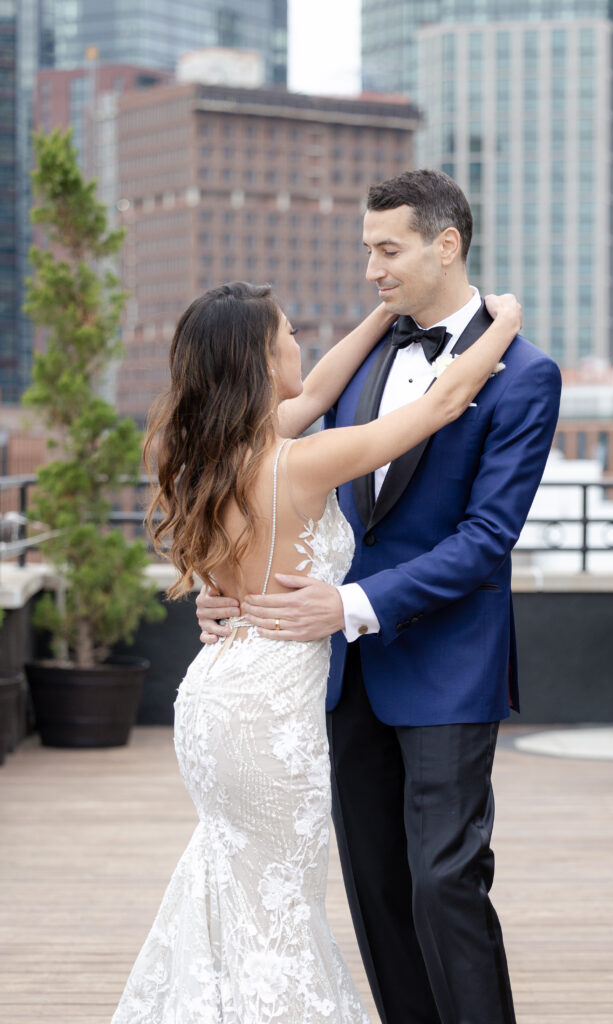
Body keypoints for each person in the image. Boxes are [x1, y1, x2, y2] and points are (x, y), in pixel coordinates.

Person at [197, 169, 562, 1024]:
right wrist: (223, 590)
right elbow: (270, 491)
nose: (372, 268)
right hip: (335, 670)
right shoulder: (360, 360)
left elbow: (484, 541)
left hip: (444, 663)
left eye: (387, 249)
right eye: (367, 249)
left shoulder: (523, 377)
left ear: (447, 245)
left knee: (443, 881)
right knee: (374, 889)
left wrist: (350, 604)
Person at [111, 277, 521, 1024]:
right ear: (263, 363)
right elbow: (438, 405)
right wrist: (503, 326)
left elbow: (325, 379)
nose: (303, 344)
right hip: (271, 714)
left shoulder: (204, 450)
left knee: (232, 886)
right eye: (290, 334)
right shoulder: (299, 462)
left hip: (213, 693)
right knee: (282, 910)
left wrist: (386, 311)